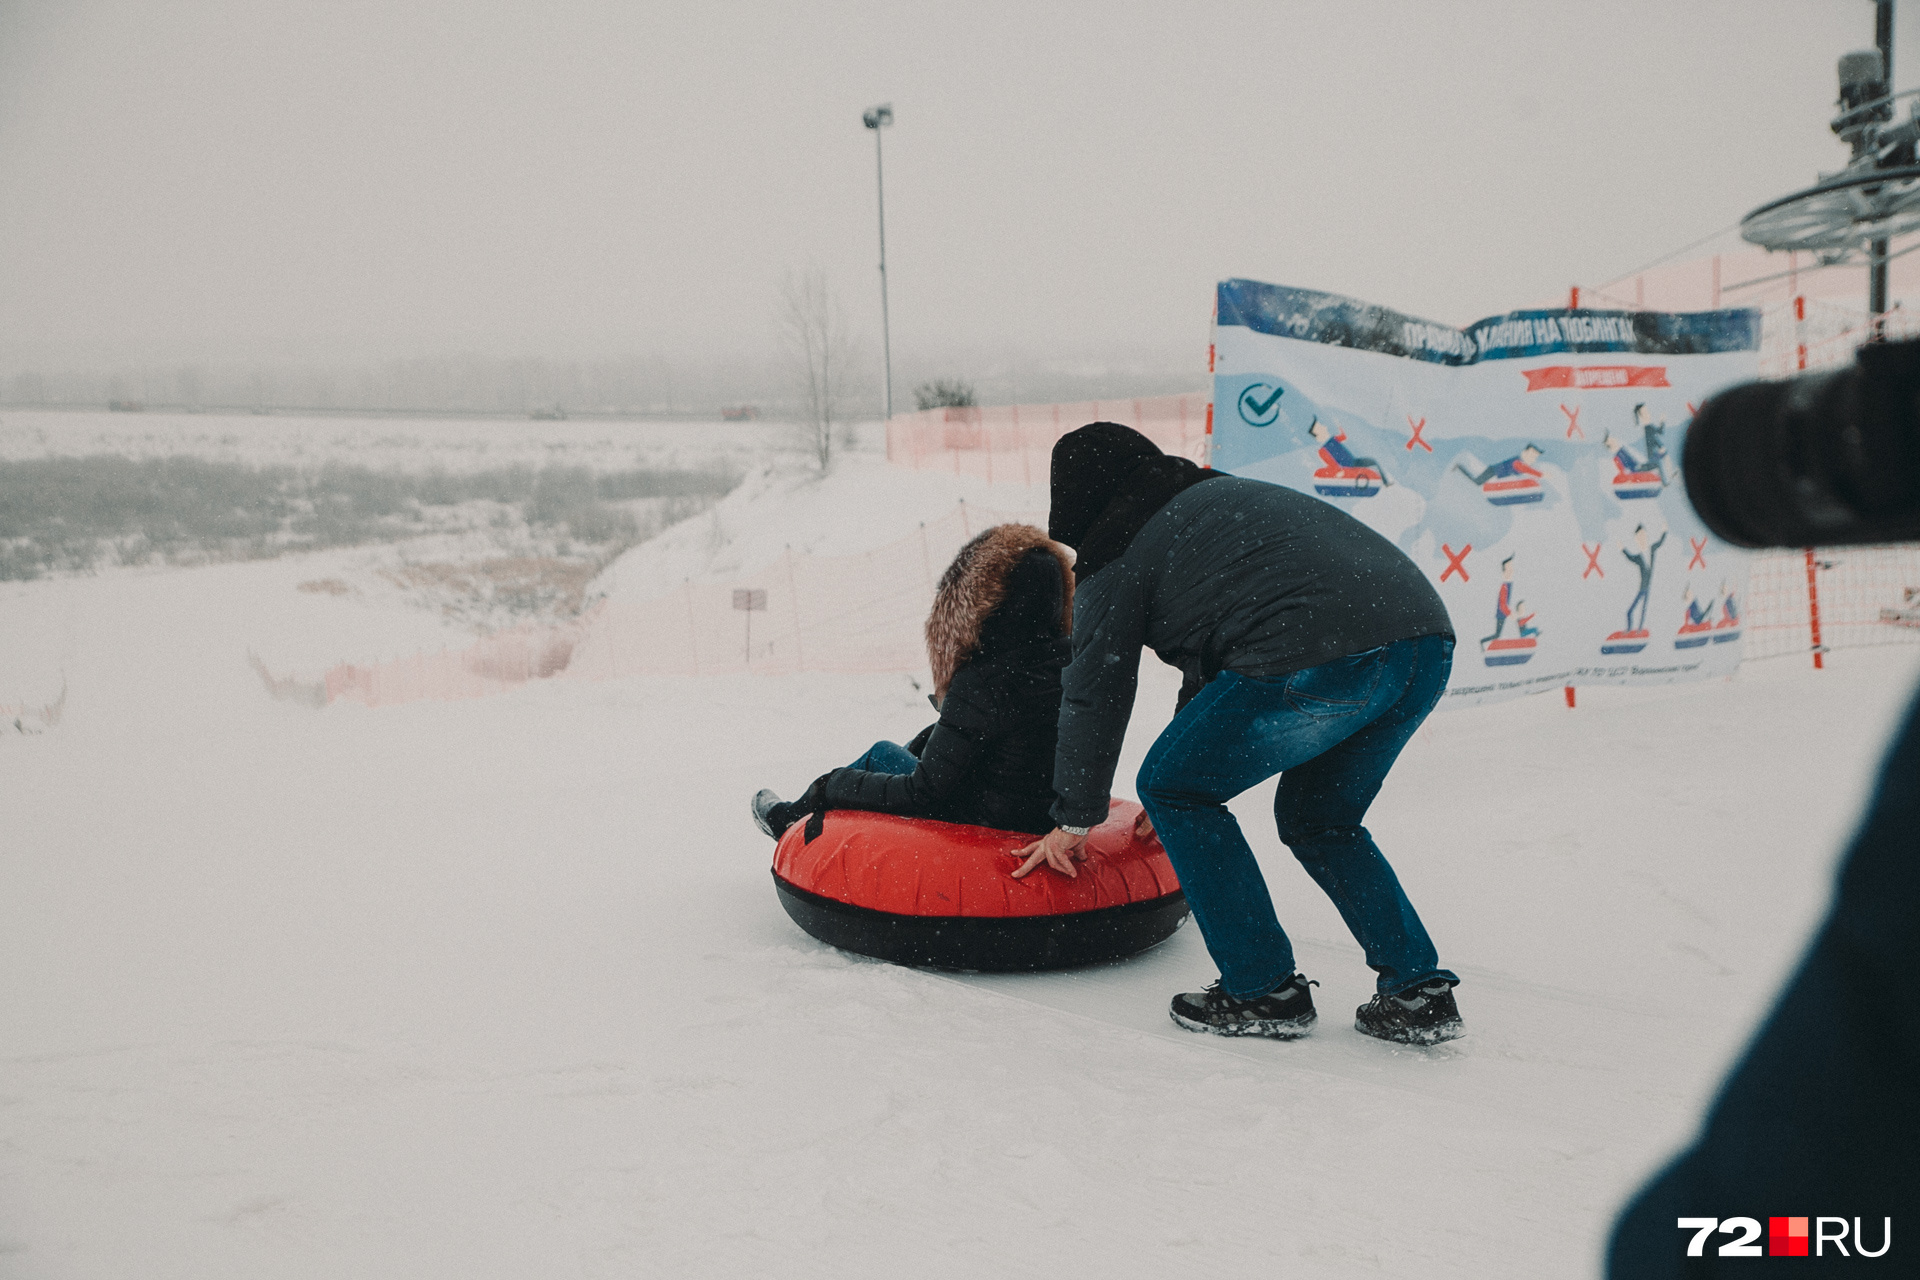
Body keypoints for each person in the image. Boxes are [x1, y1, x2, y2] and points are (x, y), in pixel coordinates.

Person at [1012, 423, 1462, 1044]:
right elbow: (1219, 654)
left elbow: (1096, 688)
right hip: (1423, 642)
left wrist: (1074, 815)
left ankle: (1263, 987)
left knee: (1173, 788)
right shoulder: (1213, 502)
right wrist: (1183, 755)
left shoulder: (1115, 547)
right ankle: (1418, 991)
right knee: (1321, 820)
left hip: (1324, 647)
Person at [751, 523, 1073, 841]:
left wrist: (833, 784)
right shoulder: (1070, 661)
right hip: (1037, 815)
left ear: (987, 604)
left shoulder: (982, 679)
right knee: (928, 738)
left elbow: (923, 794)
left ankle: (789, 818)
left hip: (984, 823)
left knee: (880, 753)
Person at [1307, 417, 1393, 485]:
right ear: (1317, 434)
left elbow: (1344, 436)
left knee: (1373, 462)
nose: (1324, 426)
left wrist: (1339, 426)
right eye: (1320, 426)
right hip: (1347, 469)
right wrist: (1340, 473)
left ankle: (1385, 482)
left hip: (1353, 462)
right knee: (1370, 468)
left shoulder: (1333, 439)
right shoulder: (1322, 450)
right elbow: (1332, 465)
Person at [1622, 524, 1665, 633]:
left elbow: (1660, 542)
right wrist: (1622, 549)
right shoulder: (1639, 557)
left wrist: (1664, 531)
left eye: (1642, 536)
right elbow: (1630, 557)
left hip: (1651, 589)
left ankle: (1639, 631)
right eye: (1638, 537)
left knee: (1643, 611)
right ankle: (1629, 630)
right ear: (1636, 539)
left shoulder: (1652, 549)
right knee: (1630, 611)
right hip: (1643, 588)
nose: (1641, 539)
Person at [1455, 443, 1544, 487]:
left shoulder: (1522, 463)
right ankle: (1459, 467)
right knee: (1477, 482)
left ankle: (1461, 467)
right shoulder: (1518, 462)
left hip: (1494, 472)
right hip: (1492, 471)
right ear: (1525, 453)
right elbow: (1523, 469)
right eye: (1532, 455)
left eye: (1535, 456)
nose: (1533, 459)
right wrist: (1540, 474)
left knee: (1479, 482)